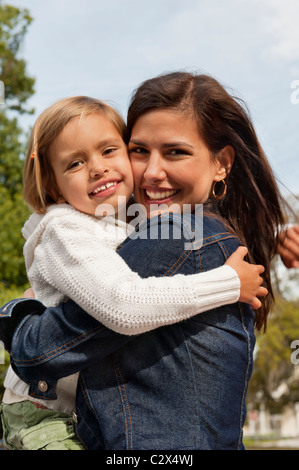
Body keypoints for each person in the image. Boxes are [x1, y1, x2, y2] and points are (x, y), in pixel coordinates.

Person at [0, 71, 291, 449]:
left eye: (175, 152)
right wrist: (233, 280)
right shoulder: (122, 229)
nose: (152, 173)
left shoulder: (175, 235)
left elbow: (35, 353)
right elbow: (123, 302)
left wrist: (20, 313)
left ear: (221, 163)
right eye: (139, 150)